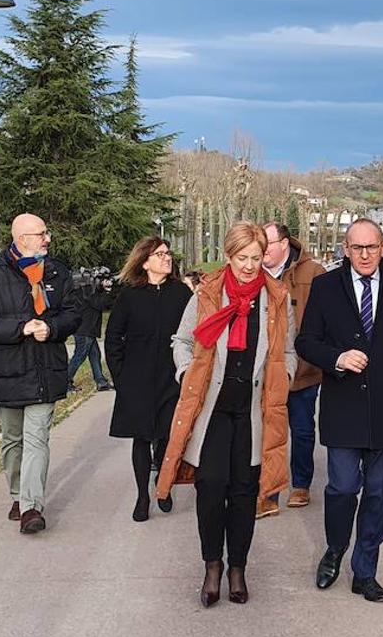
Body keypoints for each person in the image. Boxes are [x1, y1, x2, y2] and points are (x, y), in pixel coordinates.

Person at [155, 222, 297, 607]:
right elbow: (182, 341)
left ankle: (238, 568)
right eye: (242, 258)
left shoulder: (277, 297)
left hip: (253, 412)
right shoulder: (207, 293)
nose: (250, 266)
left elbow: (290, 351)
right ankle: (212, 565)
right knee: (211, 488)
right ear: (228, 256)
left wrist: (282, 375)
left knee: (244, 491)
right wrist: (187, 372)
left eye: (256, 257)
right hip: (212, 412)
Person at [296, 219, 383, 603]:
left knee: (378, 493)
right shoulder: (325, 288)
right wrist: (336, 357)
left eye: (372, 247)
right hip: (343, 407)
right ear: (345, 249)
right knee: (341, 488)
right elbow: (306, 342)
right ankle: (335, 549)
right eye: (357, 248)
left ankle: (365, 571)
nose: (366, 255)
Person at [0, 213, 82, 535]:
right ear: (22, 239)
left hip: (46, 368)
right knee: (13, 440)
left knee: (37, 438)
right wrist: (21, 328)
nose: (47, 239)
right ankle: (18, 494)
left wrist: (52, 326)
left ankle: (32, 506)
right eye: (41, 234)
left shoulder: (57, 271)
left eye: (47, 232)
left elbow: (73, 313)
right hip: (9, 370)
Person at [105, 237, 193, 522]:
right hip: (137, 379)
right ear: (145, 261)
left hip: (172, 377)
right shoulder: (130, 295)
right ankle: (142, 496)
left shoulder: (181, 293)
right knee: (142, 437)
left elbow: (194, 333)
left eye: (168, 253)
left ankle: (163, 486)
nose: (167, 258)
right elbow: (113, 337)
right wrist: (120, 375)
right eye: (160, 254)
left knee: (168, 435)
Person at [258, 221, 326, 517]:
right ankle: (269, 492)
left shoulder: (314, 273)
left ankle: (301, 484)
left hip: (303, 369)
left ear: (284, 243)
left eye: (267, 244)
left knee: (301, 430)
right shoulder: (253, 273)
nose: (261, 250)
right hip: (264, 371)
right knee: (267, 432)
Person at [68, 267, 115, 392]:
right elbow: (100, 304)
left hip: (87, 328)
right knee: (79, 356)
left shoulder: (85, 288)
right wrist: (107, 291)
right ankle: (65, 382)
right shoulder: (88, 290)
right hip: (84, 329)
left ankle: (100, 381)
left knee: (95, 355)